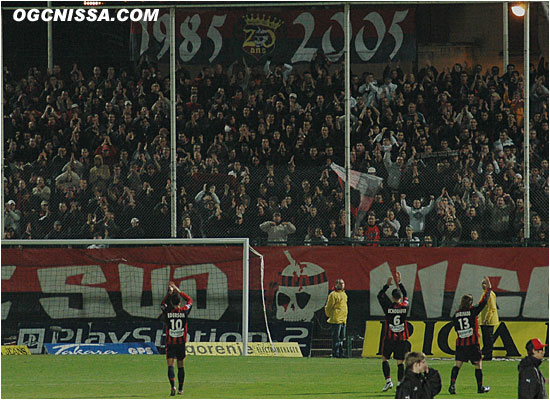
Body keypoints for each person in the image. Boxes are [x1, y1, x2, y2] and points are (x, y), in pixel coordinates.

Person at [448, 276, 492, 395]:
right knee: (478, 365)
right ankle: (480, 387)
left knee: (457, 365)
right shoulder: (473, 311)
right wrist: (489, 289)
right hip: (472, 344)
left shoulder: (456, 314)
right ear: (471, 303)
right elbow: (483, 302)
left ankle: (452, 386)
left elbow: (456, 328)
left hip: (461, 344)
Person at [377, 271, 410, 391]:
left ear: (392, 297)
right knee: (400, 362)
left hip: (390, 337)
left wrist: (387, 285)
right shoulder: (405, 307)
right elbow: (406, 295)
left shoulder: (388, 307)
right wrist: (399, 282)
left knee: (385, 358)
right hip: (401, 338)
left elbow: (379, 295)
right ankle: (400, 384)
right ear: (400, 298)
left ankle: (388, 381)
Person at [161, 281, 193, 396]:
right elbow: (190, 300)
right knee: (181, 366)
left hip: (170, 343)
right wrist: (178, 290)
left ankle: (172, 386)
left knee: (170, 365)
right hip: (181, 343)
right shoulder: (184, 311)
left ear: (171, 302)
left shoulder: (168, 312)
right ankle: (180, 389)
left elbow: (162, 304)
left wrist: (169, 294)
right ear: (179, 302)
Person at [324, 278, 348, 358]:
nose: (342, 285)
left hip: (343, 320)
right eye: (340, 283)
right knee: (336, 338)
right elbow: (329, 306)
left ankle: (341, 353)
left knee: (341, 338)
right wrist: (329, 315)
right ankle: (335, 353)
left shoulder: (344, 294)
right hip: (336, 319)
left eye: (343, 283)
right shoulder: (333, 294)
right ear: (336, 285)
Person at [479, 277, 499, 361]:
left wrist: (487, 318)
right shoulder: (485, 293)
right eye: (482, 283)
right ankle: (487, 353)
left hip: (488, 321)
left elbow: (492, 308)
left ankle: (488, 355)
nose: (483, 285)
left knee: (488, 338)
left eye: (485, 283)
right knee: (486, 338)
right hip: (484, 320)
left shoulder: (489, 294)